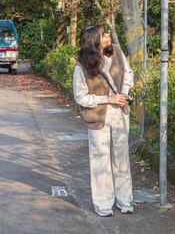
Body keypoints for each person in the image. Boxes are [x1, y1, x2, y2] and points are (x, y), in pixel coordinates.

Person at [73, 24, 134, 216]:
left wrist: (123, 94)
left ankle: (125, 200)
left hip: (119, 113)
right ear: (94, 41)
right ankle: (103, 204)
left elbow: (128, 74)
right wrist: (107, 99)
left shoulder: (116, 52)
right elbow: (80, 97)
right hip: (98, 116)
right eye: (103, 34)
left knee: (121, 157)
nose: (108, 36)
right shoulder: (82, 65)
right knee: (100, 159)